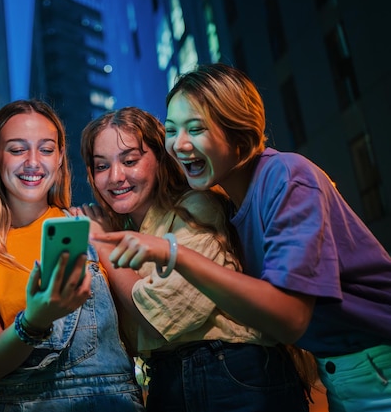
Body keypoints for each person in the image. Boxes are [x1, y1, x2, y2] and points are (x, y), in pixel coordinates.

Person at [94, 63, 391, 412]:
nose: (179, 144)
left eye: (196, 128)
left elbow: (290, 317)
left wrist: (174, 254)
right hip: (342, 371)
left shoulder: (287, 177)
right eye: (172, 130)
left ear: (239, 133)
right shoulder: (234, 204)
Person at [75, 106, 311, 411]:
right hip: (166, 377)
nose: (116, 176)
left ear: (160, 159)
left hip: (229, 368)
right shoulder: (126, 228)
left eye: (130, 160)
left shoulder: (195, 207)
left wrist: (101, 242)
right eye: (101, 166)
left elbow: (158, 314)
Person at [0, 99, 145, 411]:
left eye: (46, 149)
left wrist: (104, 241)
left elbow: (147, 317)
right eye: (17, 149)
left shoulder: (92, 227)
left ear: (61, 158)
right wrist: (34, 321)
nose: (33, 161)